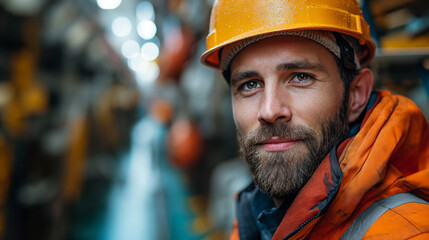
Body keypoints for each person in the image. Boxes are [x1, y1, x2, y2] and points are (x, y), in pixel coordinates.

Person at [200, 0, 429, 239]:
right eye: (250, 85)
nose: (269, 111)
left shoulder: (407, 232)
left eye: (301, 77)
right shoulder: (257, 217)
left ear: (356, 94)